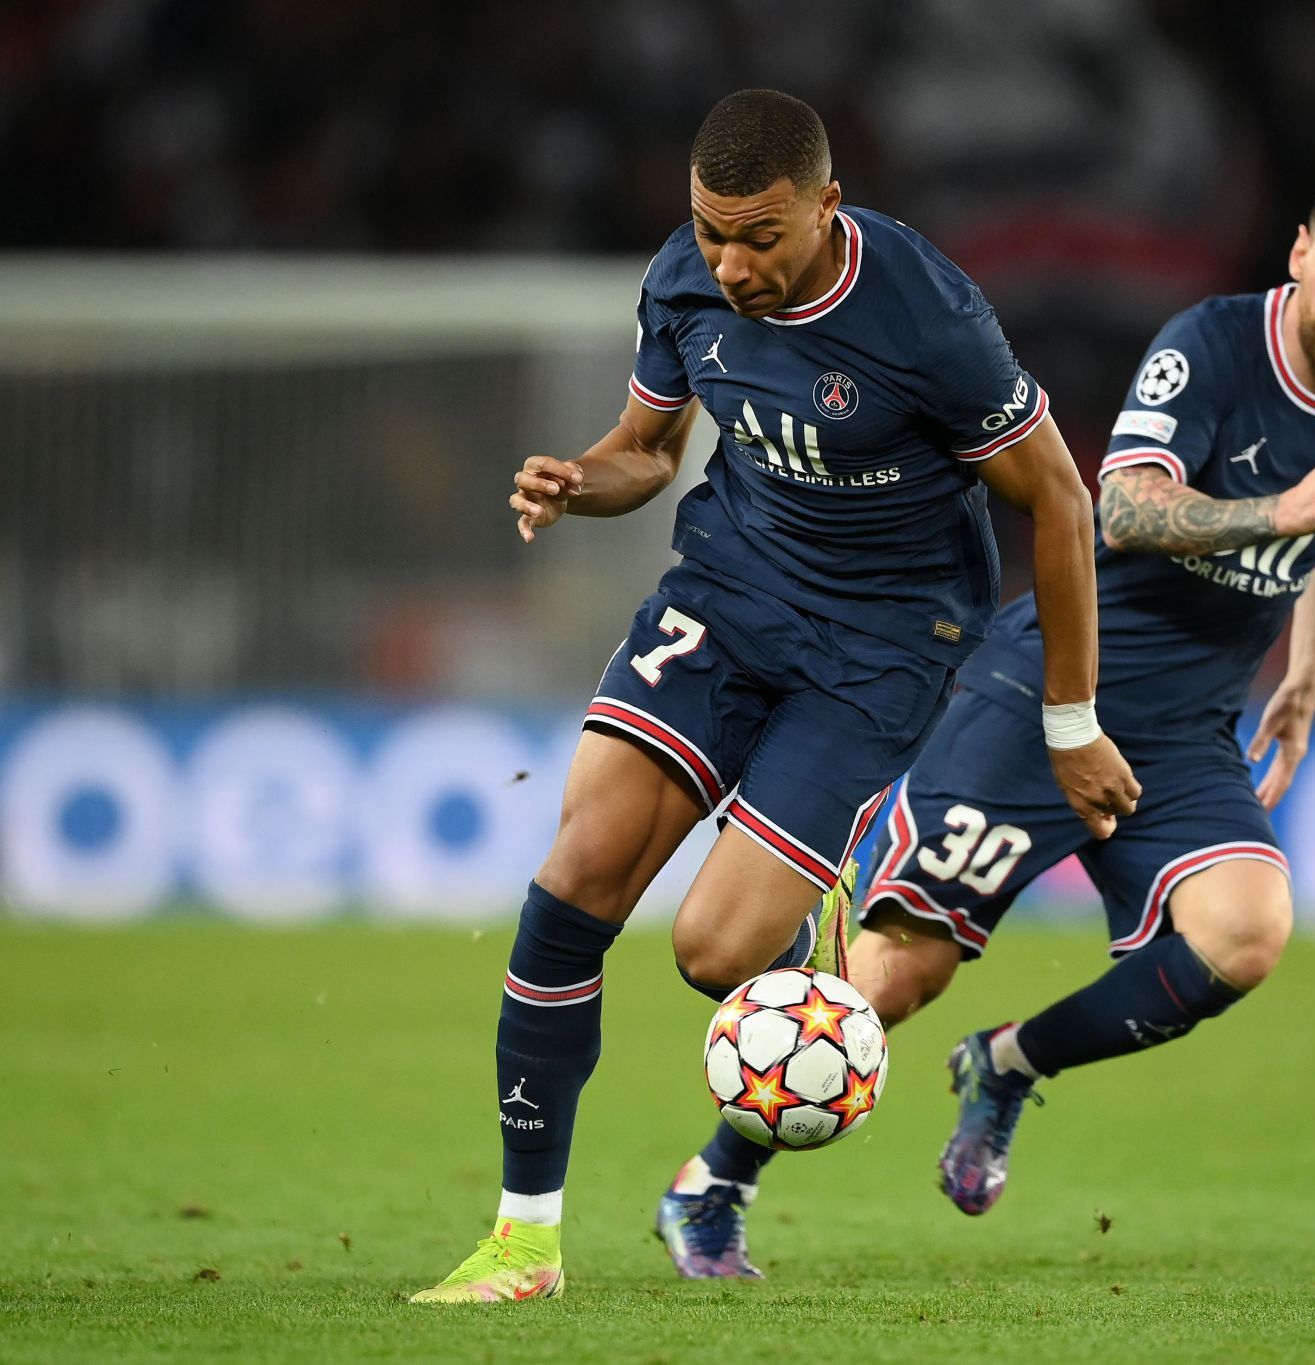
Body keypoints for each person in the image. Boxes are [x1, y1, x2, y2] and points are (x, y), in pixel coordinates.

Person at [658, 154, 1315, 1276]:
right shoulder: (1213, 345)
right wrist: (1286, 505)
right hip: (1053, 692)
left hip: (1185, 728)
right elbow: (1123, 507)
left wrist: (1307, 668)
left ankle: (1012, 1065)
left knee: (1248, 933)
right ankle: (712, 1183)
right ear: (1298, 250)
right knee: (899, 972)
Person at [410, 89, 1138, 1304]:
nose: (732, 265)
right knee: (578, 871)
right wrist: (574, 480)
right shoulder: (682, 280)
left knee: (718, 952)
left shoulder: (930, 317)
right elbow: (646, 449)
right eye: (711, 232)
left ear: (827, 208)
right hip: (731, 590)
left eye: (762, 237)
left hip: (886, 639)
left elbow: (1059, 499)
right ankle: (523, 1242)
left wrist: (1071, 722)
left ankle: (797, 941)